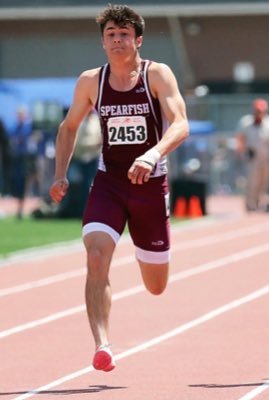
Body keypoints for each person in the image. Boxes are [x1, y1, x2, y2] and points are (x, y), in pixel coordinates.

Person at [49, 4, 189, 372]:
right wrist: (60, 174)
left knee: (156, 285)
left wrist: (152, 154)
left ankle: (155, 247)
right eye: (110, 34)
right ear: (103, 42)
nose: (117, 40)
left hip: (150, 185)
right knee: (95, 257)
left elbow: (180, 124)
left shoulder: (156, 75)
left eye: (124, 34)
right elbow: (68, 128)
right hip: (109, 183)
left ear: (138, 40)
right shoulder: (90, 81)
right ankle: (103, 344)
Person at [235, 98, 269, 212]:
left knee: (264, 182)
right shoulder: (246, 122)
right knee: (252, 181)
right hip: (252, 157)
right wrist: (242, 153)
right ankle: (250, 204)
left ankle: (259, 202)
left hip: (266, 158)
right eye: (257, 111)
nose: (259, 113)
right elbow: (240, 139)